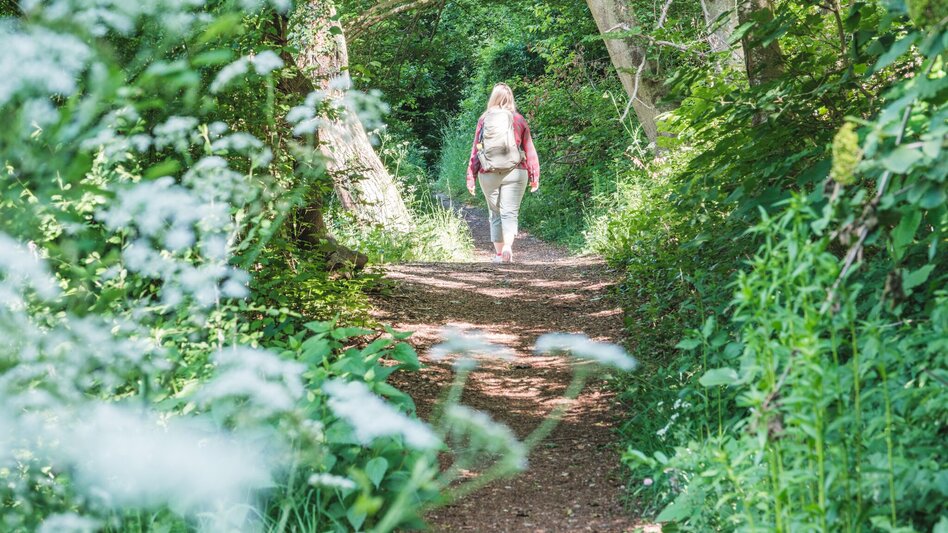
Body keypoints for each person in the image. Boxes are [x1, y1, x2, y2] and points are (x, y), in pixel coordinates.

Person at [466, 83, 540, 263]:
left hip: (488, 172)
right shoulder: (519, 119)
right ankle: (508, 246)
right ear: (511, 99)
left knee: (495, 213)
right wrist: (534, 175)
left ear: (493, 98)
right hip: (516, 172)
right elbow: (529, 148)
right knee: (510, 213)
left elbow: (477, 149)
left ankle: (499, 255)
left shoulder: (484, 118)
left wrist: (471, 176)